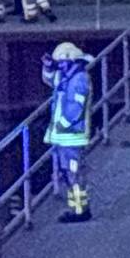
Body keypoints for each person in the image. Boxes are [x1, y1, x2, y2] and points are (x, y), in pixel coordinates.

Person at [45, 43, 96, 222]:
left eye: (62, 62)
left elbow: (76, 106)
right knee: (67, 172)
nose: (61, 65)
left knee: (74, 173)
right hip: (61, 135)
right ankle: (75, 207)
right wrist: (48, 67)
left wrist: (63, 123)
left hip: (72, 135)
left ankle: (80, 210)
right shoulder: (65, 76)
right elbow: (50, 80)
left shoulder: (80, 79)